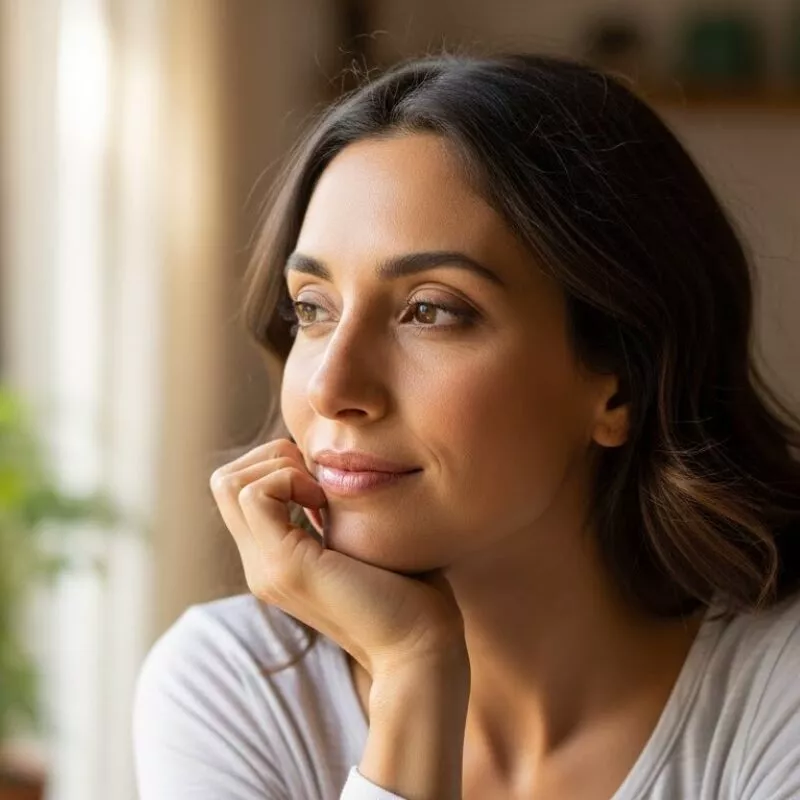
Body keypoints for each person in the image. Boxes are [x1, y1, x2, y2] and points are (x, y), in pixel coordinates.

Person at [132, 52, 800, 800]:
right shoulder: (237, 688)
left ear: (620, 384)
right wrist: (416, 674)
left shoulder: (779, 701)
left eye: (431, 311)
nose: (331, 386)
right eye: (312, 309)